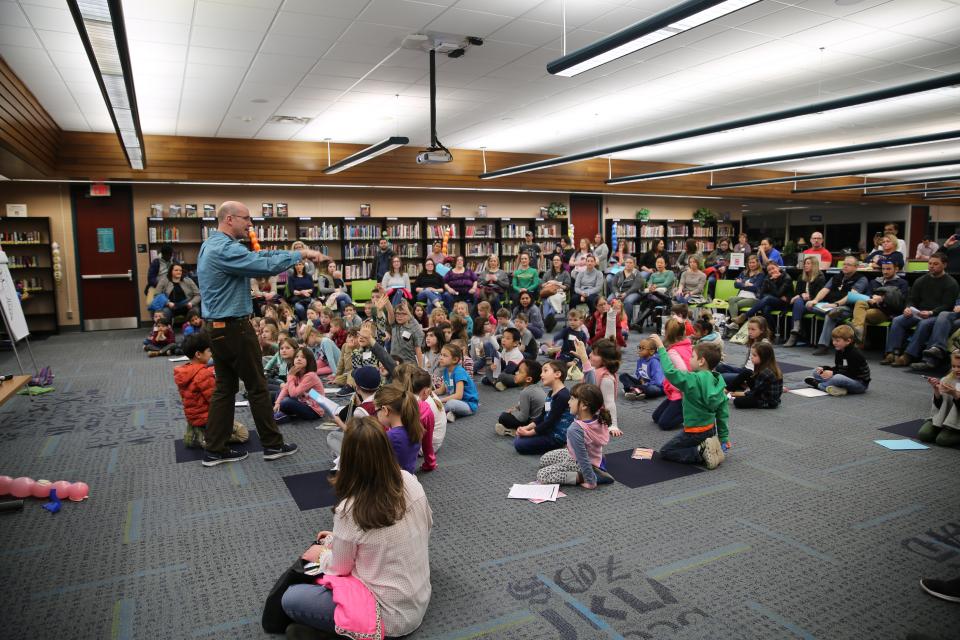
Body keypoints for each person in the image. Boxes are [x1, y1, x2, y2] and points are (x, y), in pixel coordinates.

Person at [195, 203, 325, 465]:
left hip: (218, 329)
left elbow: (260, 256)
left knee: (225, 388)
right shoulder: (225, 248)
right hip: (234, 329)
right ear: (229, 219)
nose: (250, 225)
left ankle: (215, 448)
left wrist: (297, 254)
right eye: (246, 219)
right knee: (258, 387)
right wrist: (300, 255)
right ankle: (273, 445)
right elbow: (262, 264)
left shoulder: (212, 244)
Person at [281, 417, 432, 639]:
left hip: (387, 617)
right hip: (418, 597)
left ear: (348, 459)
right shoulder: (409, 480)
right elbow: (426, 525)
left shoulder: (351, 508)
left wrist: (323, 554)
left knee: (291, 599)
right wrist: (337, 538)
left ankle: (353, 632)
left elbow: (339, 569)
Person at [649, 335, 727, 469]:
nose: (689, 359)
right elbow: (722, 414)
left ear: (701, 361)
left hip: (694, 431)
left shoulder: (692, 379)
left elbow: (670, 371)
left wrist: (661, 347)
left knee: (666, 451)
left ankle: (700, 453)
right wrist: (724, 438)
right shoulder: (719, 381)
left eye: (692, 356)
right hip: (710, 429)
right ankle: (710, 446)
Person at [175, 333, 249, 449]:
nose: (211, 353)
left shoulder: (184, 372)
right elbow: (215, 400)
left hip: (193, 416)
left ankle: (196, 431)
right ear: (198, 354)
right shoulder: (203, 374)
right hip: (207, 417)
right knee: (243, 434)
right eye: (209, 351)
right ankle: (209, 439)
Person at [884, 253, 959, 367]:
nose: (931, 266)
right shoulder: (921, 280)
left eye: (935, 264)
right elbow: (911, 299)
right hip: (919, 312)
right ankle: (892, 353)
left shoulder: (951, 283)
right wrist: (908, 308)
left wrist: (931, 312)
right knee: (898, 320)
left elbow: (948, 306)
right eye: (930, 263)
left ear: (944, 265)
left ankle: (908, 356)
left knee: (923, 324)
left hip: (936, 315)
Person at [536, 383, 614, 488]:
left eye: (572, 399)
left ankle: (588, 476)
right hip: (589, 456)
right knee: (544, 460)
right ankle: (596, 467)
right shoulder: (597, 415)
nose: (568, 402)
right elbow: (592, 391)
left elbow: (582, 457)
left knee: (542, 475)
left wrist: (590, 481)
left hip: (580, 462)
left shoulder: (575, 429)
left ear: (584, 405)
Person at [807, 255, 869, 356]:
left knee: (831, 315)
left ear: (856, 267)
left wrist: (835, 304)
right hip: (829, 307)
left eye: (848, 264)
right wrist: (815, 300)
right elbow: (824, 290)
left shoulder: (861, 279)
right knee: (808, 305)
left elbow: (851, 296)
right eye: (844, 264)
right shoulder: (837, 276)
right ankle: (836, 315)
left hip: (847, 308)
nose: (845, 266)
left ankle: (823, 346)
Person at [513, 360, 572, 455]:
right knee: (519, 438)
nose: (541, 375)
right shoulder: (551, 393)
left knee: (519, 444)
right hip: (548, 431)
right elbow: (543, 416)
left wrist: (529, 433)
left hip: (557, 437)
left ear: (557, 374)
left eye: (545, 371)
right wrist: (527, 427)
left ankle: (560, 448)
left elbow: (550, 421)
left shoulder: (563, 396)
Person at [849, 260, 908, 347]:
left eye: (888, 269)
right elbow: (868, 294)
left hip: (886, 312)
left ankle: (857, 341)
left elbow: (900, 303)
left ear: (896, 269)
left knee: (860, 316)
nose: (885, 271)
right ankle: (858, 334)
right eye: (883, 269)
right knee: (860, 302)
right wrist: (871, 298)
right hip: (871, 306)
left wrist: (882, 299)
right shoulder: (875, 281)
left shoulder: (901, 283)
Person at [728, 261, 792, 336]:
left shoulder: (787, 278)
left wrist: (771, 282)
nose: (772, 271)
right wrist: (770, 284)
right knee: (765, 309)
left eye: (773, 268)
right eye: (769, 270)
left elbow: (778, 293)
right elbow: (761, 293)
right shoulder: (768, 277)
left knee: (767, 298)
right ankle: (771, 332)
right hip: (771, 301)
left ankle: (745, 316)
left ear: (778, 268)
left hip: (784, 303)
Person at [804, 325, 870, 396]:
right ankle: (835, 388)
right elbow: (838, 368)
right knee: (816, 371)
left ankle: (818, 385)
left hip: (859, 383)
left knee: (837, 378)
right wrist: (824, 368)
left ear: (848, 341)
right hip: (845, 377)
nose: (834, 343)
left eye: (837, 341)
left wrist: (833, 373)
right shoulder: (839, 350)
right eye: (833, 340)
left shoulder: (854, 354)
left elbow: (852, 374)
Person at [372, 384, 424, 474]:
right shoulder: (414, 426)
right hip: (409, 477)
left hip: (394, 483)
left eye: (376, 411)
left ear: (385, 410)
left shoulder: (391, 436)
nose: (376, 415)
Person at [651, 319, 692, 430]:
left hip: (683, 394)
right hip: (678, 391)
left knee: (664, 424)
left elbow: (683, 373)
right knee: (656, 417)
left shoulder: (673, 352)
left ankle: (692, 412)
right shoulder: (688, 344)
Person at [917, 350, 960, 447]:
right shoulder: (947, 380)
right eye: (953, 366)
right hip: (944, 417)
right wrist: (936, 390)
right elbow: (939, 405)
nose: (956, 370)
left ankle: (950, 429)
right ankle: (945, 426)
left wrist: (955, 395)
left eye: (959, 367)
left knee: (942, 440)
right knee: (924, 434)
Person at [273, 347, 327, 423]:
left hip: (314, 411)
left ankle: (282, 415)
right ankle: (280, 413)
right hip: (302, 402)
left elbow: (293, 394)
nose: (299, 359)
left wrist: (290, 376)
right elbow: (285, 388)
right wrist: (277, 403)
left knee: (287, 401)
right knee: (280, 393)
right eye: (296, 357)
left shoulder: (310, 375)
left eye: (303, 357)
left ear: (309, 361)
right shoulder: (297, 373)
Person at [783, 255, 826, 347]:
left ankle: (794, 333)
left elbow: (820, 295)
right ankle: (796, 328)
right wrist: (801, 296)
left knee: (798, 302)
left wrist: (807, 297)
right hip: (801, 304)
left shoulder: (820, 278)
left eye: (808, 264)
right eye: (805, 264)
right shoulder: (801, 277)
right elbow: (797, 293)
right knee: (798, 301)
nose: (805, 265)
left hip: (814, 304)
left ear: (814, 265)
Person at [495, 359, 546, 437]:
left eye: (520, 372)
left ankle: (517, 431)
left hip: (534, 423)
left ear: (528, 379)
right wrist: (516, 408)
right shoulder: (535, 387)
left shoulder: (525, 392)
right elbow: (529, 404)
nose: (516, 373)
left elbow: (523, 418)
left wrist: (513, 414)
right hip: (542, 421)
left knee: (503, 417)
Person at [729, 342, 783, 409]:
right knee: (747, 372)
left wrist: (742, 394)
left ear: (763, 357)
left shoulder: (765, 372)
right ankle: (727, 390)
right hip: (763, 393)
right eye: (752, 355)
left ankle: (730, 393)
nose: (751, 357)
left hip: (767, 401)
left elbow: (755, 392)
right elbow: (758, 386)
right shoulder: (764, 366)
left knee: (737, 402)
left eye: (754, 355)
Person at [723, 254, 764, 333]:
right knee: (731, 299)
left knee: (735, 304)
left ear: (757, 263)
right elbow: (736, 284)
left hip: (753, 298)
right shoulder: (744, 272)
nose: (751, 264)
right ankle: (736, 322)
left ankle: (734, 323)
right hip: (742, 295)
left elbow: (755, 288)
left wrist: (742, 283)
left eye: (753, 263)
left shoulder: (760, 275)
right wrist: (746, 284)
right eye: (750, 263)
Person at [437, 343, 478, 422]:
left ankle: (442, 412)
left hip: (468, 404)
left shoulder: (459, 372)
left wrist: (440, 401)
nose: (441, 358)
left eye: (445, 356)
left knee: (450, 403)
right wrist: (431, 394)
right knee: (438, 400)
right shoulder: (446, 370)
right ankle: (451, 414)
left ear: (455, 359)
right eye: (441, 355)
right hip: (456, 400)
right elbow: (442, 390)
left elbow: (459, 395)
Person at [634, 256, 676, 329]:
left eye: (661, 263)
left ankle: (639, 323)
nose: (659, 264)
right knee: (651, 301)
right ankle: (639, 324)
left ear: (665, 264)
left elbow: (666, 284)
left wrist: (655, 286)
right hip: (654, 297)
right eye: (657, 262)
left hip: (664, 297)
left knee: (647, 298)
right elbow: (649, 283)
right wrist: (651, 287)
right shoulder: (653, 275)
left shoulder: (670, 273)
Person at [384, 301, 424, 367]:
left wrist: (420, 367)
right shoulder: (394, 326)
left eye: (403, 313)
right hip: (395, 364)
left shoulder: (414, 329)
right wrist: (385, 298)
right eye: (397, 313)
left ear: (409, 314)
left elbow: (418, 350)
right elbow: (390, 311)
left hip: (409, 365)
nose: (399, 316)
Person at [541, 254, 572, 330]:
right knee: (546, 301)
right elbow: (542, 284)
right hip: (548, 293)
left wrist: (557, 283)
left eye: (557, 260)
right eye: (554, 260)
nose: (556, 261)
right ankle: (549, 322)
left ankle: (547, 322)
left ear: (561, 262)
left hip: (560, 293)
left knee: (554, 299)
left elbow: (567, 287)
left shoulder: (565, 273)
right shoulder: (548, 272)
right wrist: (549, 282)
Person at [608, 256, 644, 321]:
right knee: (609, 299)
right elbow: (613, 285)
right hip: (619, 292)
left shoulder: (637, 273)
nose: (628, 264)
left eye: (630, 263)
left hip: (633, 292)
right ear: (624, 263)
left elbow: (635, 287)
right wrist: (616, 293)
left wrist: (626, 294)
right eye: (627, 262)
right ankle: (612, 321)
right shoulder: (619, 273)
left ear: (634, 264)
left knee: (628, 301)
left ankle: (626, 322)